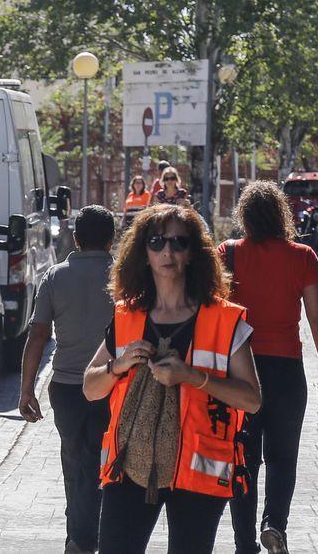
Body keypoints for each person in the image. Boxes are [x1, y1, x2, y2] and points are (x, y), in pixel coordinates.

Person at [83, 204, 262, 554]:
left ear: (194, 252)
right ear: (143, 252)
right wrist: (116, 367)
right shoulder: (126, 315)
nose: (168, 251)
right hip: (129, 467)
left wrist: (193, 377)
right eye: (157, 242)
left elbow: (252, 399)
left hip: (197, 473)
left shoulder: (224, 320)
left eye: (180, 242)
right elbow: (90, 388)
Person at [223, 181, 318, 554]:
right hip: (287, 370)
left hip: (241, 371)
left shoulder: (229, 254)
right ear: (281, 214)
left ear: (244, 216)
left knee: (244, 459)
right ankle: (274, 526)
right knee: (283, 457)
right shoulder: (303, 256)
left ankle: (244, 543)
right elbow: (317, 318)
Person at [19, 206, 117, 554]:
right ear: (112, 238)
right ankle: (91, 536)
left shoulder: (55, 277)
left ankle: (78, 538)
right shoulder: (123, 278)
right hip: (112, 386)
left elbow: (37, 336)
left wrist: (27, 389)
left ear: (76, 237)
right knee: (105, 463)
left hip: (66, 389)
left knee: (76, 462)